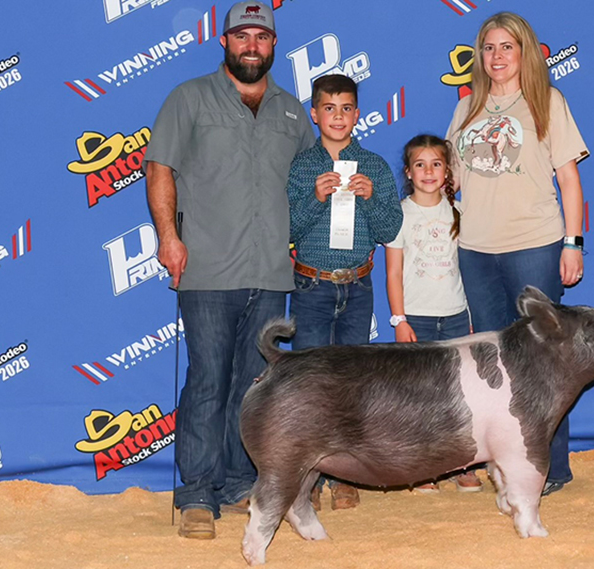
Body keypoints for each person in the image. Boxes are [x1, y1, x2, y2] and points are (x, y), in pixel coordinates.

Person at [144, 1, 315, 539]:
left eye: (260, 38)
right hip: (208, 268)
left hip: (271, 272)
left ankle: (240, 481)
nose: (251, 46)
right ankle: (196, 493)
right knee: (207, 381)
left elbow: (313, 179)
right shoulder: (189, 97)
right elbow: (159, 167)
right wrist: (169, 237)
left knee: (256, 385)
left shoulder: (292, 111)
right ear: (223, 41)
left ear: (273, 44)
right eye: (241, 36)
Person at [445, 12, 589, 496]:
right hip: (476, 250)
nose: (497, 56)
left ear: (525, 52)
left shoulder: (548, 101)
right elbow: (454, 178)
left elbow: (569, 179)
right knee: (492, 364)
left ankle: (553, 467)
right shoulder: (465, 107)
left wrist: (573, 242)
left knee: (543, 361)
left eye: (507, 47)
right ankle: (505, 462)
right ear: (479, 56)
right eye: (488, 48)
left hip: (535, 244)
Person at [286, 74, 403, 510]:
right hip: (311, 285)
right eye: (329, 108)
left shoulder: (372, 166)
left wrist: (372, 199)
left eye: (347, 108)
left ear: (357, 114)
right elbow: (287, 230)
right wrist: (313, 199)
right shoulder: (301, 167)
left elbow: (391, 230)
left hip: (358, 286)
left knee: (355, 385)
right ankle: (308, 480)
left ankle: (346, 475)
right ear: (314, 114)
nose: (338, 116)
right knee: (310, 387)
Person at [385, 134, 481, 493]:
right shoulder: (401, 213)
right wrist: (400, 319)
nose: (429, 171)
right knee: (420, 396)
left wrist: (470, 314)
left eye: (436, 164)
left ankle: (460, 463)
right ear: (408, 172)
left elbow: (467, 269)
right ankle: (423, 466)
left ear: (447, 171)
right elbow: (393, 272)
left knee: (459, 394)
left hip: (455, 314)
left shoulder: (458, 212)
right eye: (420, 165)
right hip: (418, 317)